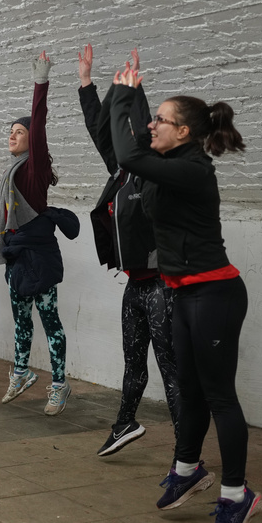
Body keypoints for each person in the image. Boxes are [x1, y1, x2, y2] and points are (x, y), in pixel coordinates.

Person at [107, 58, 261, 523]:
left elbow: (130, 154)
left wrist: (122, 99)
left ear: (186, 131)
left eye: (161, 121)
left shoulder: (193, 169)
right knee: (188, 389)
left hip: (214, 293)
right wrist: (130, 97)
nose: (152, 125)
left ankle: (238, 496)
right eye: (153, 119)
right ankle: (188, 469)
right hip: (181, 292)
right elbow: (134, 146)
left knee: (219, 397)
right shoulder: (168, 163)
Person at [79, 45, 181, 456]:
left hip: (163, 286)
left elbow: (138, 126)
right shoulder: (121, 170)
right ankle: (125, 423)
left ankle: (186, 451)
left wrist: (136, 93)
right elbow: (100, 131)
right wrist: (86, 83)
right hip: (136, 286)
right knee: (134, 363)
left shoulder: (155, 172)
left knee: (171, 371)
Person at [0, 52, 78, 416]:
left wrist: (41, 82)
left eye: (19, 132)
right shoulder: (9, 175)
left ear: (32, 141)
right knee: (21, 320)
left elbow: (38, 123)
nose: (13, 135)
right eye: (10, 132)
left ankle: (59, 384)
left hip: (39, 258)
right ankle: (22, 373)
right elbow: (8, 216)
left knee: (50, 322)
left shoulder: (33, 170)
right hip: (16, 256)